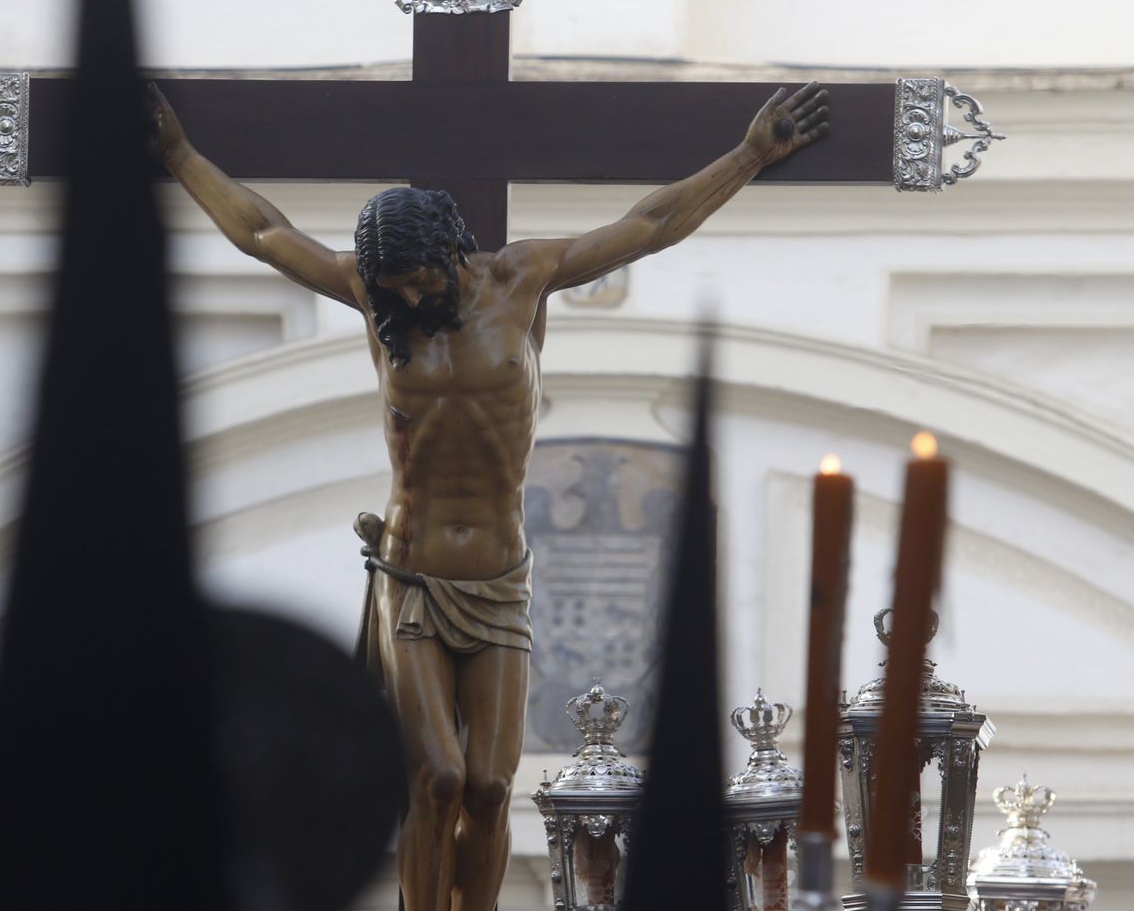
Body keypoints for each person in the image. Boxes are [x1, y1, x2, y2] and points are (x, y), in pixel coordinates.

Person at [148, 81, 828, 911]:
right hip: (412, 574)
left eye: (415, 282)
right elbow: (263, 232)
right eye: (388, 287)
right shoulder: (376, 298)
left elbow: (649, 227)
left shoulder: (522, 278)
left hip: (501, 580)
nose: (402, 301)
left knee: (490, 790)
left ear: (451, 251)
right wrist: (180, 157)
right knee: (435, 776)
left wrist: (751, 154)